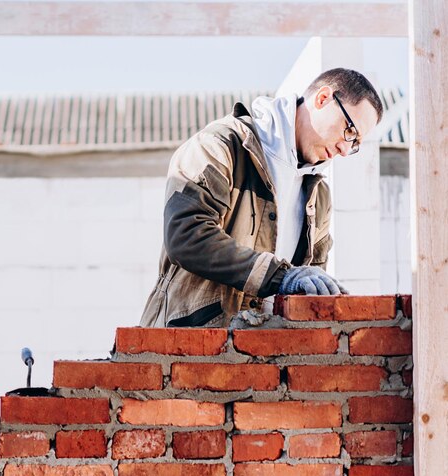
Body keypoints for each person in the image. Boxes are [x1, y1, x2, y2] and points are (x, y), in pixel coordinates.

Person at [140, 68, 383, 328]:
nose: (345, 149)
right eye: (349, 131)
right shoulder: (220, 146)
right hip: (187, 350)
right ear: (323, 99)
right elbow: (186, 236)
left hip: (262, 359)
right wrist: (281, 276)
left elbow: (311, 287)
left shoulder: (318, 195)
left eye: (355, 143)